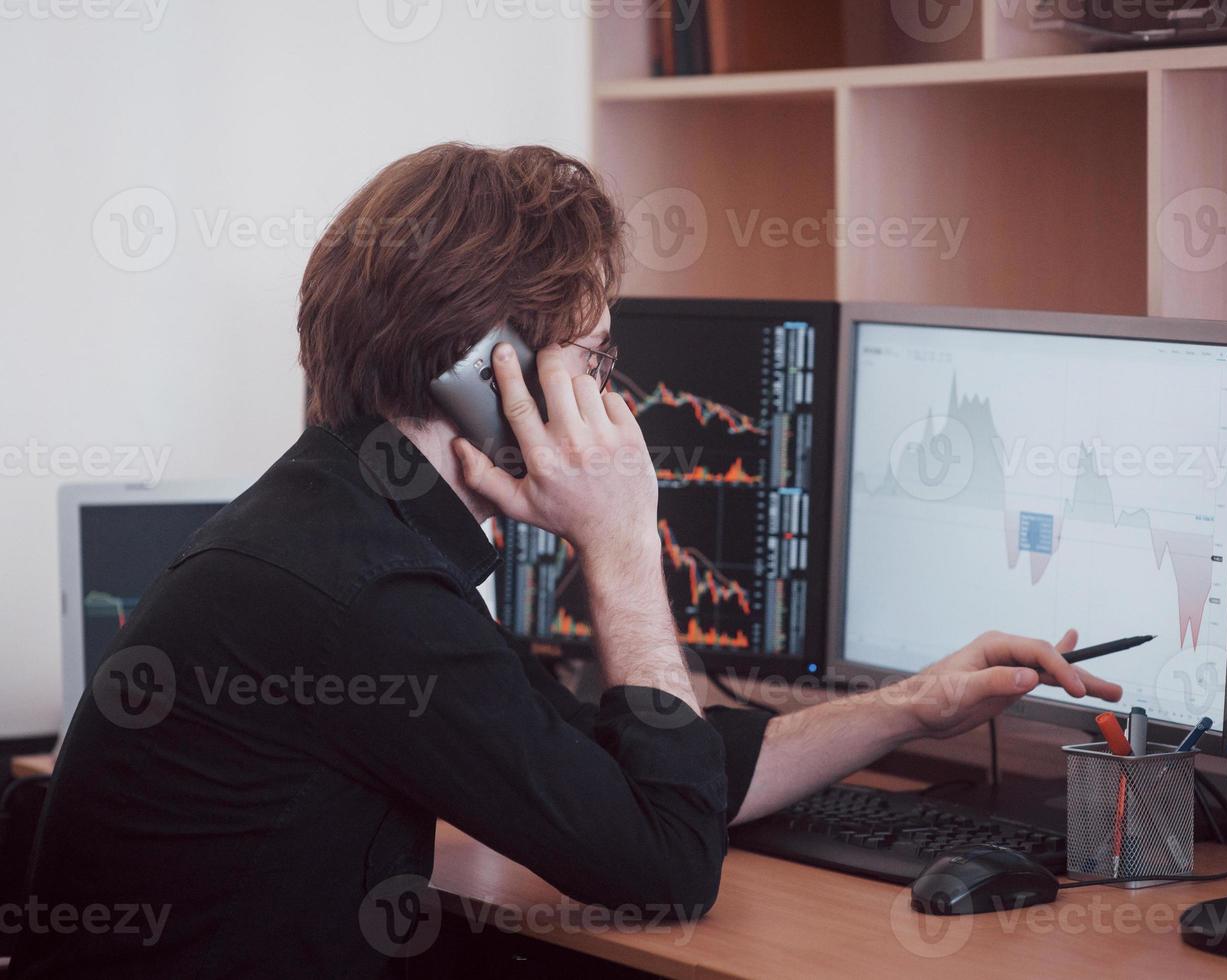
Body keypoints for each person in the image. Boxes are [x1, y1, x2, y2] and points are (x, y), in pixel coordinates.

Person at [15, 143, 1119, 977]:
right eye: (592, 358)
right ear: (487, 375)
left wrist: (910, 706)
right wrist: (623, 542)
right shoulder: (364, 587)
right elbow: (660, 866)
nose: (607, 394)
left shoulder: (337, 519)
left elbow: (608, 769)